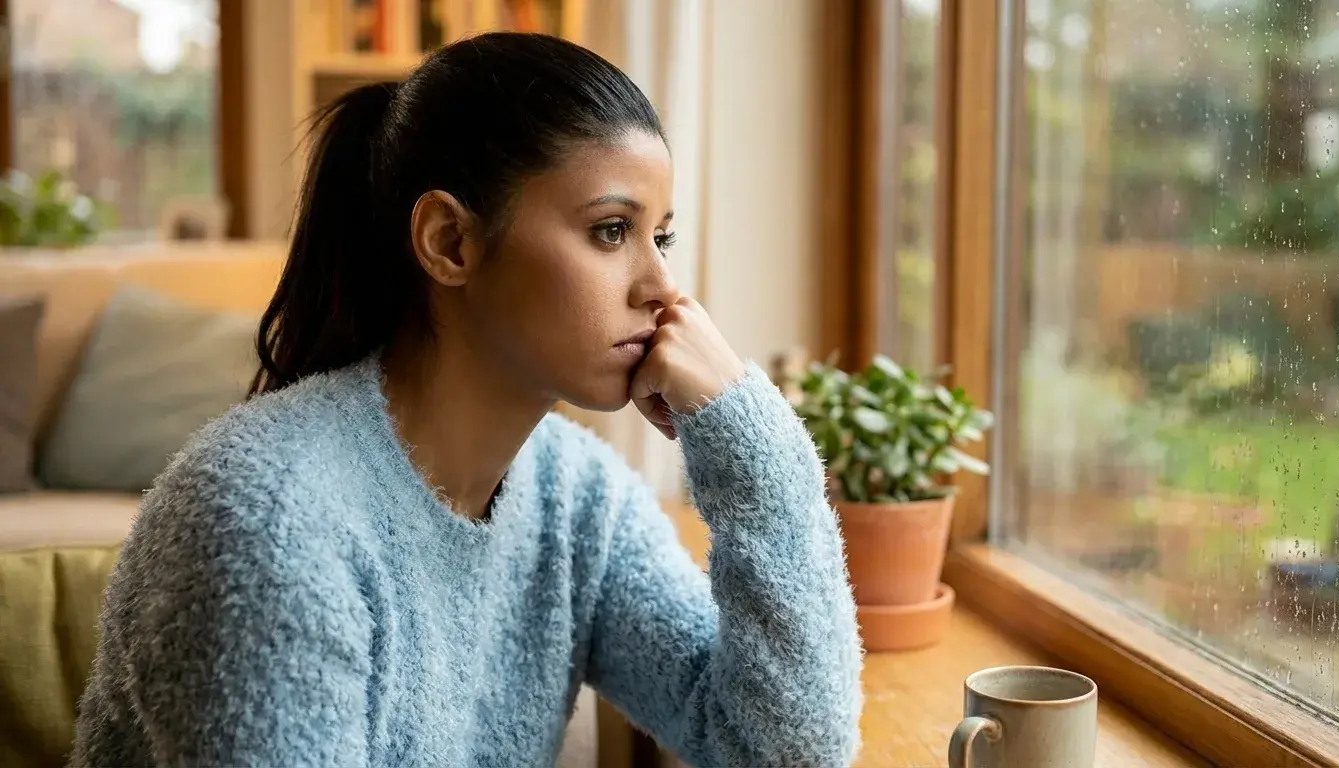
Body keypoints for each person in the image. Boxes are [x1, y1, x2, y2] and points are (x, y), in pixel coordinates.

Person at [71, 32, 862, 767]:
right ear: (450, 242)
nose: (664, 288)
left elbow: (783, 754)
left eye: (664, 237)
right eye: (612, 231)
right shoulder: (271, 522)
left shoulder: (578, 500)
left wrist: (748, 442)